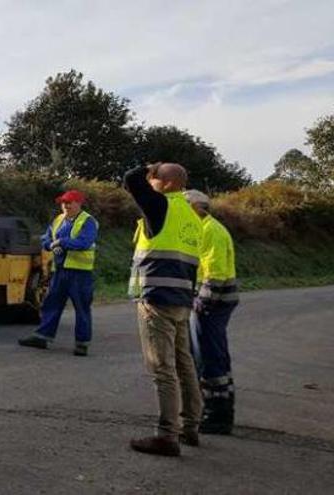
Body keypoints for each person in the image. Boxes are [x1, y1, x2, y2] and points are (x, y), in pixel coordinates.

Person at [124, 162, 203, 457]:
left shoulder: (161, 205)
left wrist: (150, 166)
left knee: (162, 367)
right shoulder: (192, 216)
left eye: (155, 178)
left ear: (167, 183)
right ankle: (191, 426)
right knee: (184, 364)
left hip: (156, 299)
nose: (150, 181)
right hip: (182, 300)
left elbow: (130, 179)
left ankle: (167, 435)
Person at [184, 189, 239, 435]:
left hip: (211, 302)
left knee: (209, 355)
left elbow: (214, 271)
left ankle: (217, 414)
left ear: (197, 207)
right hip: (215, 301)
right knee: (214, 353)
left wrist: (201, 301)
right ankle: (219, 408)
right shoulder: (209, 228)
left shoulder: (209, 230)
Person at [18, 189, 98, 356]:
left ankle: (82, 343)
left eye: (69, 202)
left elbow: (84, 242)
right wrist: (51, 244)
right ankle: (42, 336)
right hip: (60, 271)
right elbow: (46, 238)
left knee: (82, 308)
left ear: (78, 203)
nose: (65, 205)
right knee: (51, 304)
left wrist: (61, 242)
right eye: (63, 202)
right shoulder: (58, 220)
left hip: (80, 273)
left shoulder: (88, 221)